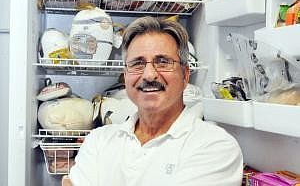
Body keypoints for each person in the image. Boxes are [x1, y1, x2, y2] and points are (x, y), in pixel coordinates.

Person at [65, 16, 243, 186]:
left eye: (163, 62)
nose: (149, 75)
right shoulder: (98, 141)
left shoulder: (215, 146)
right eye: (137, 63)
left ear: (185, 75)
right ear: (125, 76)